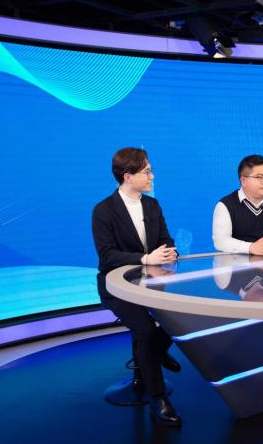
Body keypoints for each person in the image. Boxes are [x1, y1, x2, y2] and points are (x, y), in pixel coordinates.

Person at [92, 147, 182, 426]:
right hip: (116, 286)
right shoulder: (103, 210)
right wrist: (145, 258)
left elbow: (166, 240)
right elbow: (107, 256)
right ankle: (158, 398)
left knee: (180, 316)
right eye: (147, 171)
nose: (152, 176)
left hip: (152, 283)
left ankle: (155, 353)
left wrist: (169, 252)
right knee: (145, 330)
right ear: (128, 176)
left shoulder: (152, 206)